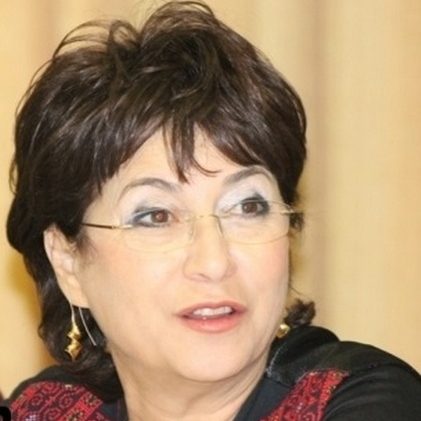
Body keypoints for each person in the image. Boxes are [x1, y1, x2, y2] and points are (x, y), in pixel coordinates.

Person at [3, 1, 421, 420]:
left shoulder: (368, 402)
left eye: (248, 206)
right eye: (156, 216)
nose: (214, 262)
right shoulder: (46, 408)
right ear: (69, 262)